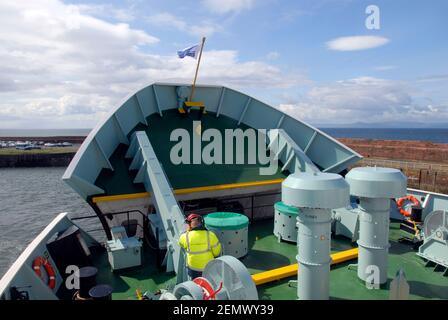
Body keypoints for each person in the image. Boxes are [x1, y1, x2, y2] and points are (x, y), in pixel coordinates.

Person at [178, 213, 221, 279]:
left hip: (193, 269)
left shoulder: (185, 236)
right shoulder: (211, 235)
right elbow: (217, 252)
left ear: (189, 225)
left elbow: (181, 244)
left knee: (196, 283)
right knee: (209, 283)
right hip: (208, 267)